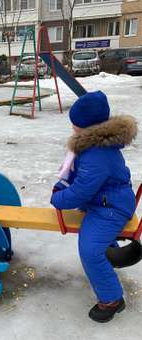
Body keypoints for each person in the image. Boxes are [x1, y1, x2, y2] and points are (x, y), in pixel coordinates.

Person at [50, 91, 138, 323]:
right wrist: (64, 183)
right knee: (94, 241)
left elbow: (81, 191)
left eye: (75, 123)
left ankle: (111, 300)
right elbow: (79, 176)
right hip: (103, 199)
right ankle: (110, 253)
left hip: (111, 207)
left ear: (87, 126)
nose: (72, 126)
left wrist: (58, 199)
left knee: (89, 250)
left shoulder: (96, 155)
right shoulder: (91, 147)